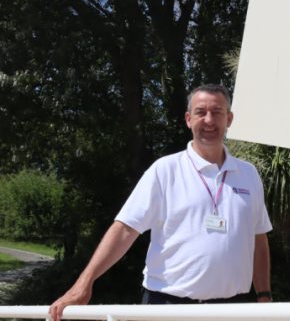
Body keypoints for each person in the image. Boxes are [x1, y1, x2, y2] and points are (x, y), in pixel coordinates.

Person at [49, 84, 273, 321]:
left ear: (229, 119)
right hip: (168, 309)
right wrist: (83, 284)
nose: (209, 120)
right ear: (188, 119)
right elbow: (125, 229)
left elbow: (258, 238)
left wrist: (265, 295)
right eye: (200, 112)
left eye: (217, 112)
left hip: (233, 311)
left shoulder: (248, 174)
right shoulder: (165, 170)